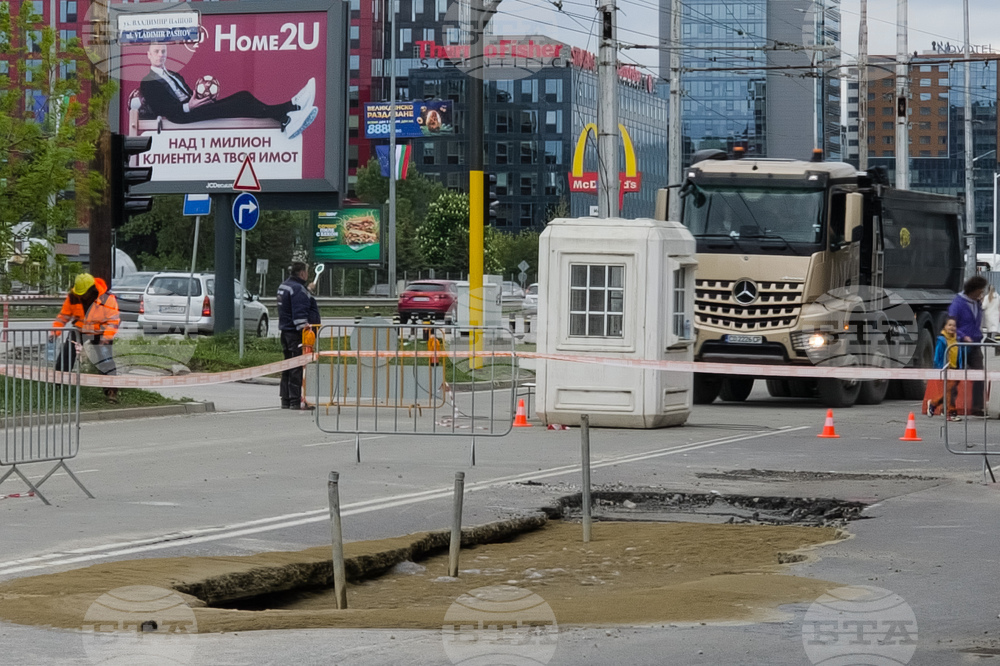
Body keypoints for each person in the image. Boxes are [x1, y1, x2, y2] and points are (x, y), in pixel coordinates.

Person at [138, 44, 318, 139]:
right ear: (149, 55)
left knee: (243, 96)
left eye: (163, 51)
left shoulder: (175, 74)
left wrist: (200, 98)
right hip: (181, 118)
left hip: (195, 109)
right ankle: (291, 109)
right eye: (156, 51)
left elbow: (187, 94)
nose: (161, 54)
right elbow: (163, 109)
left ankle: (287, 117)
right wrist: (189, 107)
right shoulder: (147, 82)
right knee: (242, 102)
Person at [52, 273, 120, 403]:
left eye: (83, 293)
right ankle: (57, 387)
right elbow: (63, 316)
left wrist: (106, 337)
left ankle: (111, 392)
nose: (81, 296)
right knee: (66, 356)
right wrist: (55, 331)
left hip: (101, 332)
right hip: (79, 330)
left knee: (106, 360)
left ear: (91, 290)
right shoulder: (73, 297)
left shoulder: (107, 299)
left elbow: (113, 321)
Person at [947, 275, 988, 416]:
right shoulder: (958, 304)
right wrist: (963, 335)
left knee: (979, 374)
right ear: (973, 290)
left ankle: (977, 406)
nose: (981, 293)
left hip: (975, 343)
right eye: (980, 290)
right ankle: (950, 405)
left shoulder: (977, 303)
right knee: (956, 375)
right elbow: (951, 324)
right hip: (960, 344)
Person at [277, 262, 316, 409]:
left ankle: (286, 399)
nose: (307, 274)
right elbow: (299, 313)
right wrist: (305, 331)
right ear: (302, 273)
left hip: (285, 331)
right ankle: (295, 401)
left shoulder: (285, 286)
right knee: (296, 368)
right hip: (296, 334)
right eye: (306, 271)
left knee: (287, 366)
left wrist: (307, 291)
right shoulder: (297, 289)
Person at [928, 316, 963, 421]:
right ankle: (951, 413)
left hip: (955, 369)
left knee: (951, 391)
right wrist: (940, 369)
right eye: (949, 325)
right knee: (950, 392)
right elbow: (937, 356)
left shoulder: (957, 339)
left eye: (954, 325)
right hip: (946, 369)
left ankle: (933, 403)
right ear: (944, 326)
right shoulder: (942, 340)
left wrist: (960, 367)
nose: (952, 327)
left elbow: (959, 354)